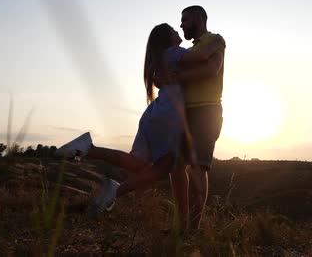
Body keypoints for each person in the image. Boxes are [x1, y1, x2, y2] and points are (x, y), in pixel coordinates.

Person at [55, 23, 224, 216]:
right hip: (168, 116)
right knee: (164, 168)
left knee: (136, 163)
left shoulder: (160, 58)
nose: (178, 31)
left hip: (154, 114)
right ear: (168, 39)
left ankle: (89, 148)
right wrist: (219, 43)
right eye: (174, 31)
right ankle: (115, 191)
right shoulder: (174, 52)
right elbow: (201, 57)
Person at [169, 5, 226, 230]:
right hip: (184, 112)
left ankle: (193, 228)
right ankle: (182, 224)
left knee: (197, 168)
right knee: (176, 167)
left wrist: (177, 74)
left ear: (199, 18)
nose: (181, 24)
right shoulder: (191, 50)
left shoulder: (215, 40)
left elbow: (211, 69)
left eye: (185, 19)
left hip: (206, 111)